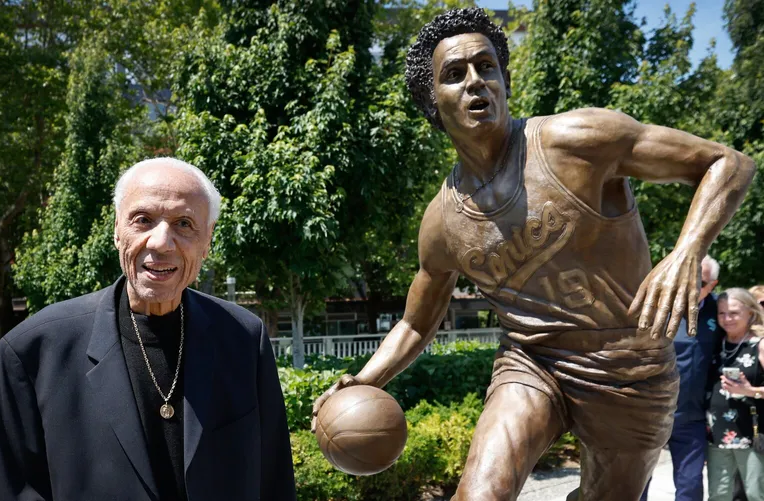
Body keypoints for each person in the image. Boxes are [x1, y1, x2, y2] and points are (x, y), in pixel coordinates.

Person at [312, 8, 755, 500]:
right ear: (432, 101)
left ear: (504, 81)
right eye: (455, 74)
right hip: (532, 362)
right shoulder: (440, 222)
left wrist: (688, 250)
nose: (475, 81)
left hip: (632, 370)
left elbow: (728, 163)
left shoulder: (578, 141)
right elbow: (417, 323)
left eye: (486, 67)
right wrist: (363, 379)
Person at [0, 158, 296, 501]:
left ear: (207, 241)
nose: (161, 243)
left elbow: (274, 480)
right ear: (117, 230)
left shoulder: (243, 338)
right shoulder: (34, 350)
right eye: (143, 220)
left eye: (184, 224)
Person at [640, 255, 724, 501]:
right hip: (650, 413)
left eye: (700, 282)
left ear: (712, 285)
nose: (690, 287)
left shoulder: (719, 311)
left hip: (691, 415)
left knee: (691, 483)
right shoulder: (655, 306)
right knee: (637, 481)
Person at [707, 288, 764, 500]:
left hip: (752, 434)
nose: (727, 319)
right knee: (718, 495)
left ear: (750, 312)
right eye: (722, 313)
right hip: (717, 434)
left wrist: (749, 391)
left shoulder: (759, 345)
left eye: (733, 313)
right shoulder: (715, 343)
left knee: (756, 494)